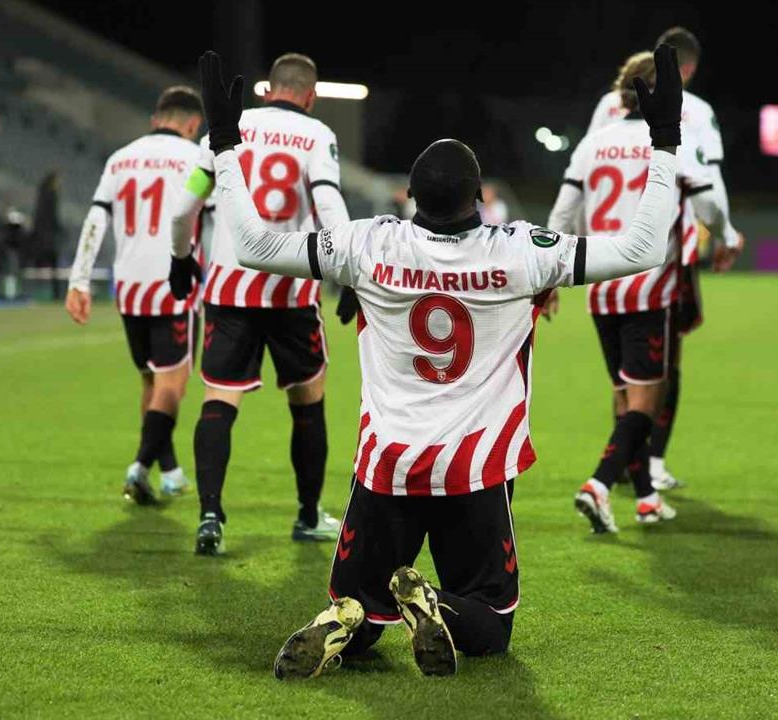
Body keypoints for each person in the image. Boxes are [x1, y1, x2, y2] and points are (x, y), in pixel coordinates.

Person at [193, 45, 682, 677]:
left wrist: (225, 144)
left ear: (410, 195)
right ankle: (437, 605)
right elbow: (643, 248)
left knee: (359, 612)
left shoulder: (368, 243)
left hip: (387, 465)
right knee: (491, 625)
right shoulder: (522, 252)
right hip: (474, 468)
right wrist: (664, 143)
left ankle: (347, 619)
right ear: (479, 196)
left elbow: (252, 244)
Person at [168, 52, 351, 554]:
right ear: (311, 96)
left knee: (218, 401)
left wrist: (179, 258)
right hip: (291, 290)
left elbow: (184, 206)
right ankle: (308, 514)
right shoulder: (317, 135)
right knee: (307, 402)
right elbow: (329, 205)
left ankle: (210, 516)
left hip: (229, 289)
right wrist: (348, 274)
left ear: (268, 89)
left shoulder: (228, 126)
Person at [548, 50, 734, 532]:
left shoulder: (593, 143)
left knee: (622, 396)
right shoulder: (671, 140)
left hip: (600, 287)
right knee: (647, 400)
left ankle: (646, 498)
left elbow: (563, 213)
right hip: (649, 287)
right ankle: (599, 483)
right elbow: (708, 204)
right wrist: (728, 236)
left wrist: (549, 279)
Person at [587, 26, 742, 491]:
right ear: (686, 69)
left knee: (623, 372)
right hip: (666, 250)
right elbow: (709, 180)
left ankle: (628, 466)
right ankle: (650, 464)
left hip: (606, 253)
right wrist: (726, 236)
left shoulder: (607, 107)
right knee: (662, 363)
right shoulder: (694, 109)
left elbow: (585, 169)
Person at [65, 87, 206, 504]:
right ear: (193, 124)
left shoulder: (120, 158)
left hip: (128, 288)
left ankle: (172, 472)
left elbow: (96, 219)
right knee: (173, 385)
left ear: (155, 120)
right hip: (173, 284)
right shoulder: (196, 158)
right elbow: (213, 220)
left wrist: (79, 280)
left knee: (151, 379)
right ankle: (140, 467)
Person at [31, 171, 63, 300]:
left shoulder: (42, 195)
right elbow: (51, 217)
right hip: (47, 237)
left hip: (43, 235)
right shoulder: (51, 196)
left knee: (44, 265)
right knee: (51, 265)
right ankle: (55, 294)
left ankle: (49, 293)